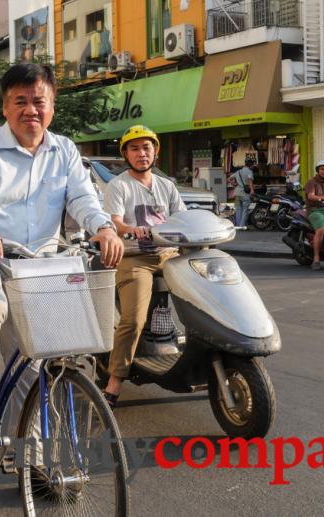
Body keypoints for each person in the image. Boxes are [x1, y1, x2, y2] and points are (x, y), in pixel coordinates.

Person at [0, 63, 123, 425]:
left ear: (52, 106)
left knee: (36, 365)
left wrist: (103, 227)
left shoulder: (65, 151)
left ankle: (29, 462)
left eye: (39, 101)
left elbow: (83, 198)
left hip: (40, 265)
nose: (30, 110)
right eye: (19, 101)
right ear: (5, 108)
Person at [101, 125, 186, 408]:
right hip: (135, 258)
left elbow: (183, 220)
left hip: (168, 255)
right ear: (126, 153)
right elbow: (113, 222)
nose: (141, 153)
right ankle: (115, 380)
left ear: (155, 151)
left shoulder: (167, 186)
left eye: (146, 147)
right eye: (135, 148)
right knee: (133, 320)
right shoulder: (119, 185)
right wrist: (130, 229)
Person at [230, 158, 255, 227]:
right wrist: (252, 190)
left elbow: (229, 179)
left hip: (237, 193)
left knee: (238, 210)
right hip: (245, 193)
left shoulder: (238, 172)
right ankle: (242, 225)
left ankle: (238, 225)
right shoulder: (249, 171)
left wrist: (234, 184)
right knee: (245, 210)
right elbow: (250, 180)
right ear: (251, 165)